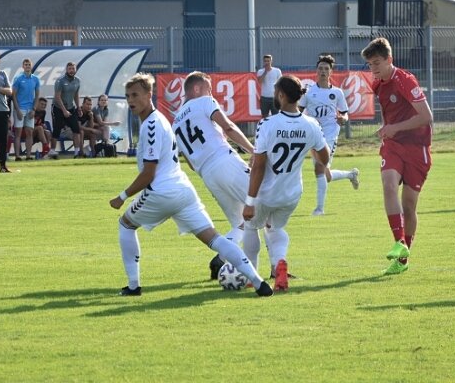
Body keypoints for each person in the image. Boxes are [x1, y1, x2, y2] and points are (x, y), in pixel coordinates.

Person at [108, 73, 273, 297]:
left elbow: (150, 172)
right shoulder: (165, 119)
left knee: (125, 225)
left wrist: (122, 195)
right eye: (128, 96)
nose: (130, 100)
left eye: (135, 95)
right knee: (227, 232)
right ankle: (259, 281)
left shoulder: (169, 122)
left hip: (179, 184)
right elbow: (226, 129)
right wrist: (250, 150)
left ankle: (133, 286)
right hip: (186, 190)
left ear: (149, 95)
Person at [242, 75, 330, 292]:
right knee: (275, 228)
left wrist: (249, 201)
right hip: (291, 193)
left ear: (281, 95)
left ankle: (251, 275)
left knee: (251, 227)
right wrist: (306, 147)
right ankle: (279, 263)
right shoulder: (311, 124)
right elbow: (324, 159)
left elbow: (259, 166)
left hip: (266, 193)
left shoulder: (268, 124)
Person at [172, 71, 258, 279]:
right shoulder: (204, 101)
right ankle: (277, 268)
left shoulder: (175, 124)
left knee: (241, 223)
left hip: (207, 175)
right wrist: (253, 151)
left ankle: (221, 258)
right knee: (264, 205)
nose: (211, 92)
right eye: (208, 88)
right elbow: (228, 127)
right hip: (225, 161)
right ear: (197, 89)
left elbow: (190, 165)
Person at [361, 37, 433, 276]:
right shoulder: (378, 84)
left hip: (418, 148)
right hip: (393, 145)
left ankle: (402, 259)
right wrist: (386, 129)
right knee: (388, 185)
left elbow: (426, 116)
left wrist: (395, 127)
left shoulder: (405, 80)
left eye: (377, 62)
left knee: (409, 206)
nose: (373, 69)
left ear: (389, 59)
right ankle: (398, 241)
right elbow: (389, 114)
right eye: (370, 64)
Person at [298, 54, 360, 216]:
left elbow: (345, 114)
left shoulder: (337, 93)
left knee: (320, 168)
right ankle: (350, 174)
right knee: (325, 174)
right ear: (316, 71)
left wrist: (342, 119)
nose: (323, 71)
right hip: (313, 135)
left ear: (331, 72)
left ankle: (319, 209)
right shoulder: (309, 93)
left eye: (326, 69)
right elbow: (298, 111)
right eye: (320, 68)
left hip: (330, 134)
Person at [49, 62, 82, 159]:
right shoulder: (60, 81)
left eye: (73, 69)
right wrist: (64, 111)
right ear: (66, 70)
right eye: (70, 69)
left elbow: (76, 95)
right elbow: (57, 97)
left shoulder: (77, 81)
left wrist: (78, 107)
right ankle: (52, 151)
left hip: (70, 107)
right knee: (57, 128)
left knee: (76, 129)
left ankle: (77, 152)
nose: (72, 71)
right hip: (58, 107)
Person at [11, 58, 41, 161]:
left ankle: (28, 155)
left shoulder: (36, 79)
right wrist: (17, 110)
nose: (27, 66)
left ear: (31, 66)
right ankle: (17, 156)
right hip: (20, 109)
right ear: (23, 66)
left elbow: (37, 95)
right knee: (18, 133)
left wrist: (34, 109)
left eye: (29, 64)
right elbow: (13, 95)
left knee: (29, 132)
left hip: (30, 109)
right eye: (26, 64)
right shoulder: (18, 79)